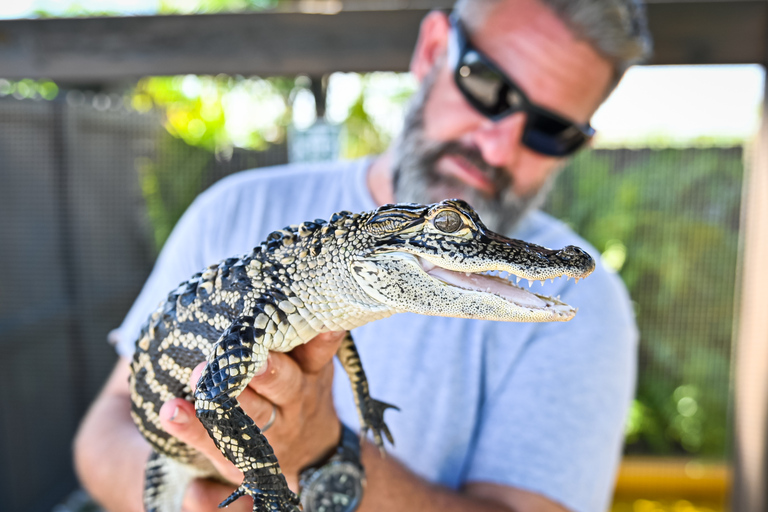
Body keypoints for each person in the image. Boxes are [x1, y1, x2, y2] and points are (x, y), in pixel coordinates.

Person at [74, 1, 652, 511]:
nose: (497, 143)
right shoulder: (231, 211)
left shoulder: (586, 299)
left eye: (551, 130)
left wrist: (323, 451)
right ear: (431, 51)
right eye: (487, 84)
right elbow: (107, 430)